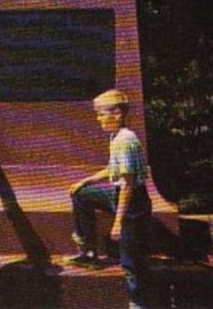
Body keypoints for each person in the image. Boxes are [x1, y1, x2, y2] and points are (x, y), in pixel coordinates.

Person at [68, 89, 152, 309]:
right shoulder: (117, 137)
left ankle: (137, 303)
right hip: (119, 195)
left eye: (101, 114)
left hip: (132, 203)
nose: (98, 119)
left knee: (129, 261)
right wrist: (86, 182)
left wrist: (117, 222)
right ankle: (88, 250)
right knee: (81, 195)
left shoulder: (125, 140)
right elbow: (113, 169)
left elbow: (128, 184)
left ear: (116, 113)